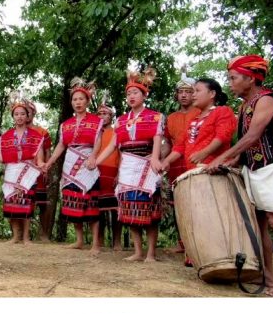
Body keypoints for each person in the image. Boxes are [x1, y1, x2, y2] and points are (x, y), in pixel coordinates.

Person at [210, 55, 273, 297]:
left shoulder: (267, 100)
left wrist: (221, 156)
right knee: (259, 224)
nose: (229, 83)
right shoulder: (244, 105)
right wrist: (234, 160)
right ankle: (267, 274)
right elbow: (247, 144)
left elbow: (252, 136)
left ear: (250, 78)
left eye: (233, 78)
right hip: (254, 170)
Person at [110, 69, 167, 263]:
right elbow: (114, 147)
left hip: (147, 164)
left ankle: (150, 253)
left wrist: (156, 159)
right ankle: (137, 251)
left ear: (144, 95)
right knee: (129, 209)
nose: (131, 96)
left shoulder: (155, 117)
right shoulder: (120, 120)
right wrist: (96, 160)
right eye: (128, 94)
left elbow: (157, 139)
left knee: (150, 210)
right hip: (127, 167)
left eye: (135, 93)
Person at [48, 79, 110, 252]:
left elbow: (98, 140)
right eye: (75, 100)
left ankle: (96, 243)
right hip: (70, 162)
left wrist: (93, 157)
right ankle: (79, 240)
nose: (78, 102)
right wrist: (50, 162)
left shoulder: (96, 121)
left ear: (87, 101)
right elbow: (61, 145)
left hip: (87, 162)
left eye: (81, 99)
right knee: (73, 201)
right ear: (71, 102)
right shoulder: (65, 125)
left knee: (91, 202)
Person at [0, 96, 50, 244]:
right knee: (11, 202)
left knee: (27, 204)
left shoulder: (36, 136)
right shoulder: (6, 136)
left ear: (27, 116)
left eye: (22, 114)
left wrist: (43, 165)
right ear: (13, 116)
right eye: (16, 114)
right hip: (11, 170)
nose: (19, 117)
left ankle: (26, 237)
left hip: (28, 172)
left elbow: (39, 157)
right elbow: (0, 156)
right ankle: (15, 236)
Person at [178, 78, 235, 180]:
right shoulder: (193, 119)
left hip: (215, 172)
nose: (193, 95)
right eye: (193, 91)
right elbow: (180, 146)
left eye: (197, 91)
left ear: (212, 93)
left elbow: (222, 136)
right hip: (193, 173)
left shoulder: (222, 111)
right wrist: (165, 162)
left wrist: (204, 153)